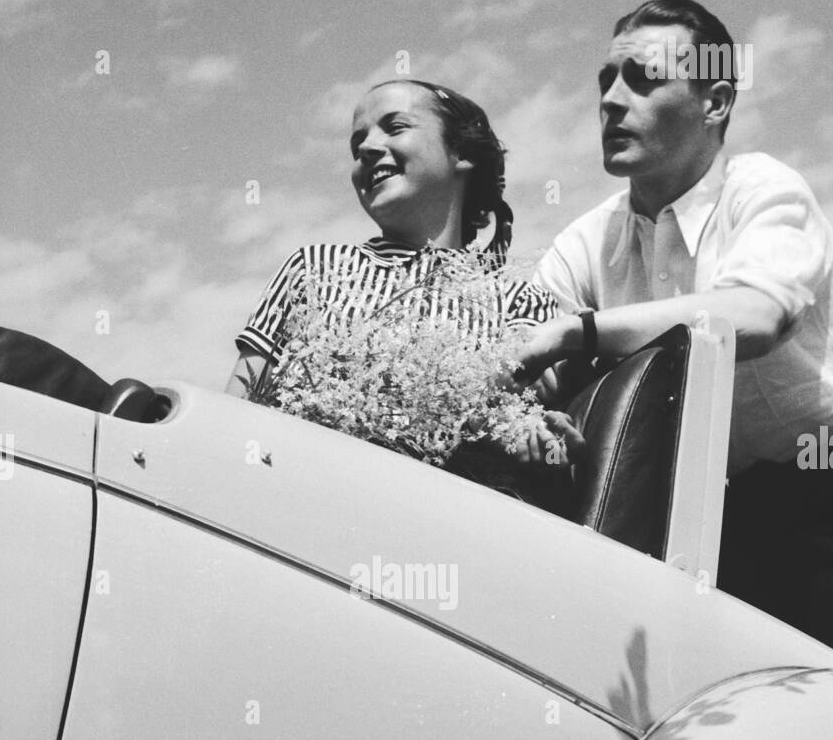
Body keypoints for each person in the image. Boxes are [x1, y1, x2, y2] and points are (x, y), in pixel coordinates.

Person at [517, 0, 833, 692]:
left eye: (641, 79)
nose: (611, 100)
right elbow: (530, 357)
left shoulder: (762, 187)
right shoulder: (585, 242)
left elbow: (752, 318)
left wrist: (578, 334)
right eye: (604, 80)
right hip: (736, 518)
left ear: (716, 101)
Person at [227, 78, 584, 478]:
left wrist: (538, 433)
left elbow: (520, 409)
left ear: (461, 153)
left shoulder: (518, 298)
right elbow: (237, 408)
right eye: (356, 143)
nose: (365, 147)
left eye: (394, 127)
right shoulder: (313, 269)